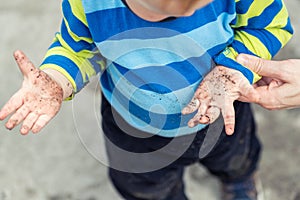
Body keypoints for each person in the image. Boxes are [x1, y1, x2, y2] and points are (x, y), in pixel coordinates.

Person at [0, 0, 293, 199]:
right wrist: (57, 80)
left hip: (222, 109)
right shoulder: (91, 5)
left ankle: (239, 181)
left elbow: (269, 26)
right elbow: (79, 47)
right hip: (133, 122)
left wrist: (231, 67)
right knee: (146, 187)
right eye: (168, 10)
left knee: (236, 159)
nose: (189, 16)